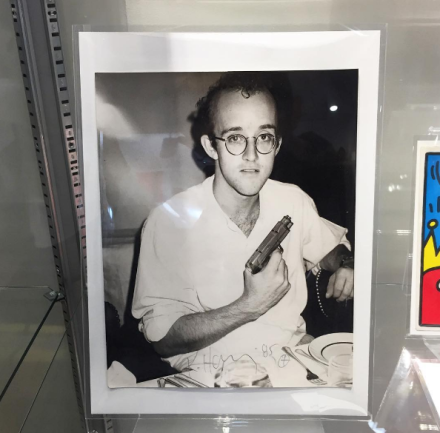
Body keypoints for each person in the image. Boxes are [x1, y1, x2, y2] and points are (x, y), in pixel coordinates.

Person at [131, 72, 354, 386]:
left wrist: (346, 265)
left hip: (289, 367)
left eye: (263, 137)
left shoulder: (293, 201)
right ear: (211, 146)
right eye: (235, 138)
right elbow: (163, 341)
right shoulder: (168, 222)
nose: (252, 155)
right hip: (210, 379)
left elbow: (330, 247)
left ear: (276, 145)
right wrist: (251, 304)